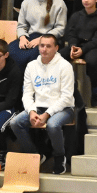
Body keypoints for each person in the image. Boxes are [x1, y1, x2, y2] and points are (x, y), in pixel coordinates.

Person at [9, 35, 76, 174]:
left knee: (52, 124)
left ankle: (59, 157)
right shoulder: (31, 66)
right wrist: (32, 111)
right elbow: (27, 94)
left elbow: (66, 97)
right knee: (15, 123)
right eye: (42, 45)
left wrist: (47, 114)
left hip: (64, 108)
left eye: (48, 46)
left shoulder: (65, 66)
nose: (44, 49)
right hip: (39, 107)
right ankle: (35, 155)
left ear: (56, 48)